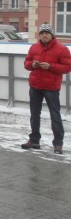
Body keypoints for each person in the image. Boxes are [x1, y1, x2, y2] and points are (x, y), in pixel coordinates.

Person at [22, 23, 71, 154]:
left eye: (47, 33)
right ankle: (34, 140)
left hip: (51, 87)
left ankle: (58, 144)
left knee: (55, 115)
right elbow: (26, 64)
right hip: (35, 86)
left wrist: (50, 66)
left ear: (52, 35)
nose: (44, 35)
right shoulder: (34, 47)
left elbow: (67, 67)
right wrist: (32, 64)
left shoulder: (62, 49)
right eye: (42, 33)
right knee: (34, 115)